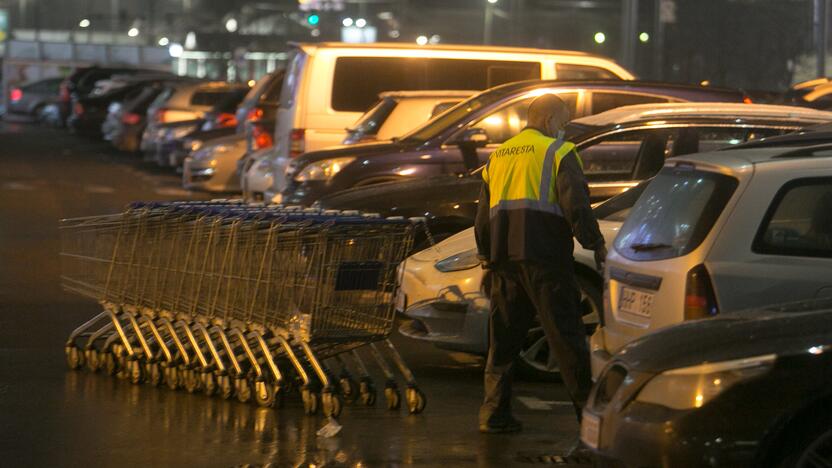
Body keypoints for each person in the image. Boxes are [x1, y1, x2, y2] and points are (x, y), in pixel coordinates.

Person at [474, 94, 607, 434]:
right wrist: (595, 243)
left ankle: (493, 415)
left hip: (505, 261)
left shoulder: (498, 156)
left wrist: (487, 257)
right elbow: (576, 205)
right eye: (562, 123)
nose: (563, 130)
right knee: (567, 338)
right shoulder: (559, 153)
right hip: (546, 259)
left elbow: (482, 219)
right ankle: (589, 422)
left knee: (502, 340)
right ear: (550, 122)